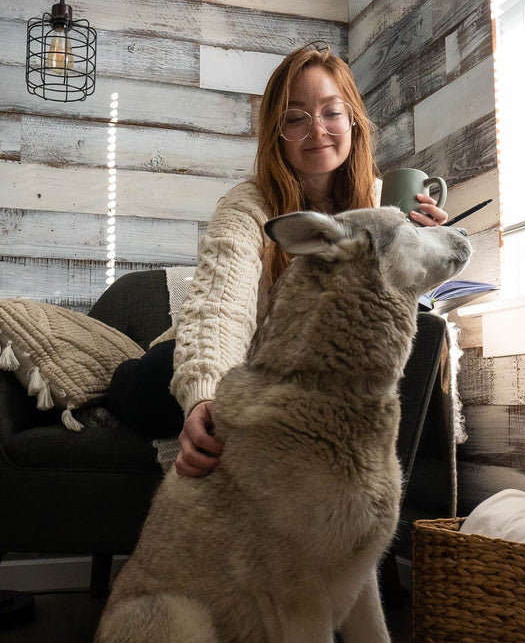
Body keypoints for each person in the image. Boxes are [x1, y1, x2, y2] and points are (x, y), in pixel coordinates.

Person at [105, 42, 449, 477]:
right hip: (243, 357)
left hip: (313, 370)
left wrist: (427, 247)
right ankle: (116, 378)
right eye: (294, 118)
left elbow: (396, 310)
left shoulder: (386, 209)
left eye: (330, 112)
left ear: (353, 120)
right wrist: (207, 397)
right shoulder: (248, 206)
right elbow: (220, 303)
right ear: (276, 133)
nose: (316, 129)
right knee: (154, 381)